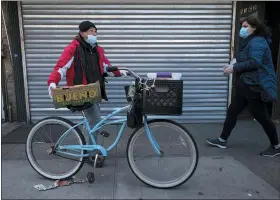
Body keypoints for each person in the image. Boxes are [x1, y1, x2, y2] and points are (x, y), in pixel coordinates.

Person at [47, 21, 127, 165]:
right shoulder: (72, 49)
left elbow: (106, 67)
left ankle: (87, 150)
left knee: (92, 123)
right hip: (81, 93)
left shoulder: (98, 50)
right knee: (96, 121)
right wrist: (52, 83)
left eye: (95, 31)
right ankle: (91, 155)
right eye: (91, 31)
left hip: (95, 92)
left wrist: (121, 72)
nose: (94, 34)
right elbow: (60, 68)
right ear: (82, 33)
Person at [206, 16, 280, 157]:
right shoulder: (250, 40)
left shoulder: (258, 41)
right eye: (242, 26)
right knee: (232, 112)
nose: (242, 29)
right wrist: (232, 65)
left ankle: (276, 146)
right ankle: (222, 140)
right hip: (246, 86)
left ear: (254, 28)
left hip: (254, 86)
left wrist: (234, 69)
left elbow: (254, 62)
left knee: (262, 117)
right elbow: (244, 58)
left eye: (246, 27)